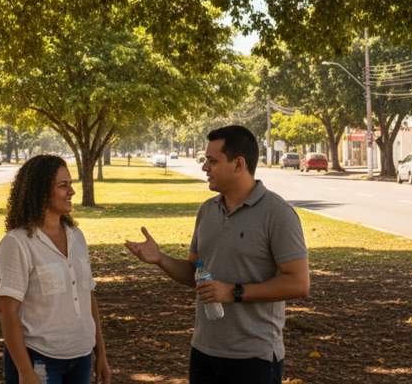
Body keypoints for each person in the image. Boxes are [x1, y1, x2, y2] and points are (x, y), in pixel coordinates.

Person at [125, 125, 309, 384]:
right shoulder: (207, 210)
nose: (204, 167)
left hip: (254, 357)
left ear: (238, 164)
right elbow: (194, 273)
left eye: (212, 161)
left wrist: (234, 292)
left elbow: (299, 283)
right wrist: (160, 259)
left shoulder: (277, 214)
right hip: (204, 352)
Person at [0, 155, 111, 384]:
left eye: (70, 184)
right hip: (37, 359)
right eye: (63, 185)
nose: (72, 191)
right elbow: (6, 311)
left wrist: (101, 354)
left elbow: (88, 296)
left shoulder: (76, 236)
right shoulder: (17, 242)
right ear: (40, 192)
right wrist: (26, 372)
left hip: (81, 358)